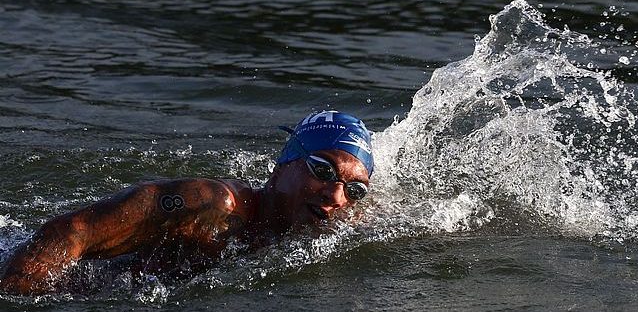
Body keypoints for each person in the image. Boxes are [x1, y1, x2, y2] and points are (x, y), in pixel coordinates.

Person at [0, 111, 374, 295]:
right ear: (282, 166)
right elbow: (74, 231)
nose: (336, 196)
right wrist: (17, 294)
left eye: (354, 189)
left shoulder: (335, 225)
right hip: (63, 280)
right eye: (322, 170)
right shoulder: (212, 205)